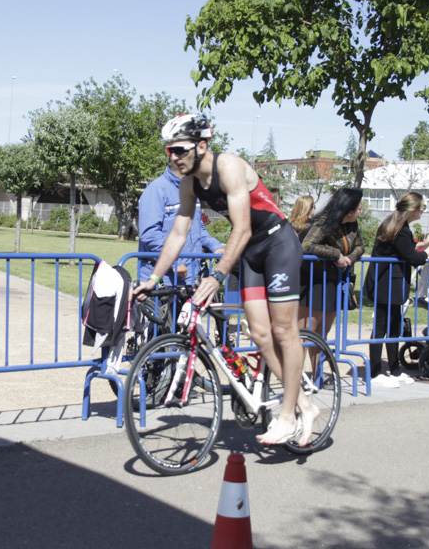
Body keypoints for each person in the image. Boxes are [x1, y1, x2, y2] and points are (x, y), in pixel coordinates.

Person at [131, 114, 319, 446]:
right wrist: (154, 278)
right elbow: (177, 233)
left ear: (201, 146)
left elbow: (243, 228)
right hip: (250, 252)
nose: (172, 157)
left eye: (178, 149)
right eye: (168, 151)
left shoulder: (229, 167)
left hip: (277, 242)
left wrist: (217, 275)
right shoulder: (189, 184)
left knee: (282, 330)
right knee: (260, 334)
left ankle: (287, 416)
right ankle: (304, 404)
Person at [364, 192, 429, 388]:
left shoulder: (396, 224)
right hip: (386, 283)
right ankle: (375, 372)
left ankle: (395, 370)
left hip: (390, 283)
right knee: (381, 329)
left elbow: (406, 249)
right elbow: (415, 259)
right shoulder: (398, 227)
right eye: (422, 207)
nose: (424, 211)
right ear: (413, 209)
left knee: (394, 328)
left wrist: (426, 242)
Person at [137, 160, 224, 287]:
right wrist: (174, 261)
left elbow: (197, 229)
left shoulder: (192, 190)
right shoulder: (156, 190)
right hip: (162, 280)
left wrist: (215, 246)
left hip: (190, 276)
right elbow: (150, 234)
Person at [300, 188, 364, 338]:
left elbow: (360, 246)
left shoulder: (352, 225)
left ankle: (319, 362)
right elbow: (307, 245)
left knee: (322, 333)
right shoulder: (324, 222)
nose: (361, 212)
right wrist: (336, 254)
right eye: (359, 209)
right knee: (307, 331)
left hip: (334, 281)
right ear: (349, 210)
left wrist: (350, 258)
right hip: (314, 281)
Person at [289, 195, 316, 331]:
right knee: (303, 323)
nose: (314, 211)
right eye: (312, 207)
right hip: (304, 274)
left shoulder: (288, 226)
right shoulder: (311, 228)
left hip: (293, 273)